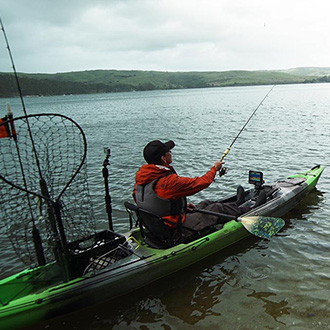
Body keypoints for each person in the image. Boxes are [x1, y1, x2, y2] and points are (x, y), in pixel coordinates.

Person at [133, 140, 265, 233]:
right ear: (163, 158)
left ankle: (237, 204)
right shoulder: (167, 181)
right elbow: (201, 183)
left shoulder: (141, 179)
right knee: (216, 208)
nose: (170, 153)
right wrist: (214, 168)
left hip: (161, 224)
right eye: (169, 152)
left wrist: (182, 207)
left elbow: (156, 202)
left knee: (204, 203)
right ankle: (252, 209)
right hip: (174, 227)